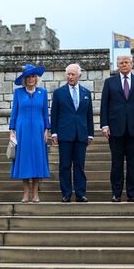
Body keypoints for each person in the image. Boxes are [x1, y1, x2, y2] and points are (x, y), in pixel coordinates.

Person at [100, 55, 134, 202]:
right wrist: (104, 125)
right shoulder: (110, 82)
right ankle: (116, 193)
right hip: (115, 129)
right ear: (117, 65)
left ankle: (133, 194)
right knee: (116, 164)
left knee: (133, 164)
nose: (124, 65)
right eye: (121, 63)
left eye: (126, 62)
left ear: (131, 64)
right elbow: (104, 105)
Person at [50, 63, 94, 202]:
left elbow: (89, 115)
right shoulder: (58, 93)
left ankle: (80, 193)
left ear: (79, 76)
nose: (70, 77)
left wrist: (90, 133)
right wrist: (54, 132)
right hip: (65, 134)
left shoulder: (86, 93)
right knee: (65, 165)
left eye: (73, 74)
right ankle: (66, 193)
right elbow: (54, 114)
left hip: (81, 134)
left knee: (80, 165)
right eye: (68, 74)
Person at [9, 64, 51, 203]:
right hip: (22, 130)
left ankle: (36, 194)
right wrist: (11, 131)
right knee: (25, 161)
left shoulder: (42, 93)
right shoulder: (18, 93)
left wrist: (46, 129)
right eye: (28, 77)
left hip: (39, 130)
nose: (31, 79)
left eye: (33, 76)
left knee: (37, 160)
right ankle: (26, 194)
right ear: (24, 79)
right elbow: (14, 113)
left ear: (36, 78)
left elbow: (45, 113)